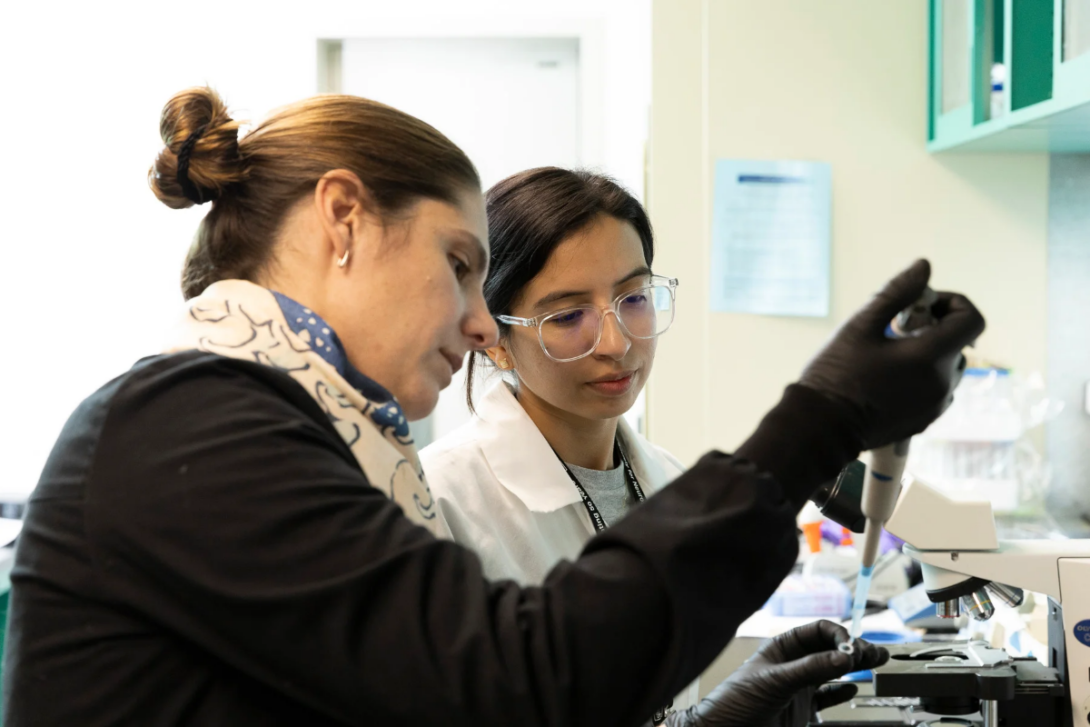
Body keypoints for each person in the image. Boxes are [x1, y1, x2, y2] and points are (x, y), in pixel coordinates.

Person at [1, 87, 984, 727]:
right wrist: (820, 417)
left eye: (632, 297)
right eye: (460, 268)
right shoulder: (195, 421)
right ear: (343, 219)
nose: (478, 325)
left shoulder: (266, 421)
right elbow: (516, 685)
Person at [417, 167, 872, 724]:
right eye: (567, 316)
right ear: (495, 341)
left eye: (634, 297)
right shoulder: (438, 503)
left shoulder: (668, 479)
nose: (616, 343)